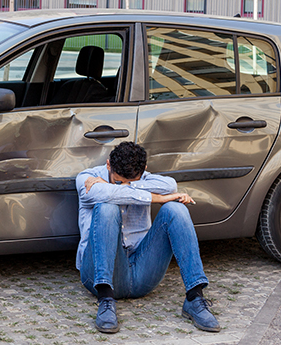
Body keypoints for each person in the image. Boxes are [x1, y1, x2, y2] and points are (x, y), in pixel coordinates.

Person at [75, 141, 220, 334]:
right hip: (98, 275)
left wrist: (129, 185)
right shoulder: (87, 178)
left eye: (131, 181)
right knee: (106, 206)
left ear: (143, 170)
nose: (123, 185)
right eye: (118, 181)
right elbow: (101, 193)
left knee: (175, 208)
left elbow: (170, 185)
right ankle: (106, 300)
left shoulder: (144, 177)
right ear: (108, 165)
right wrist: (157, 197)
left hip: (142, 272)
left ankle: (195, 297)